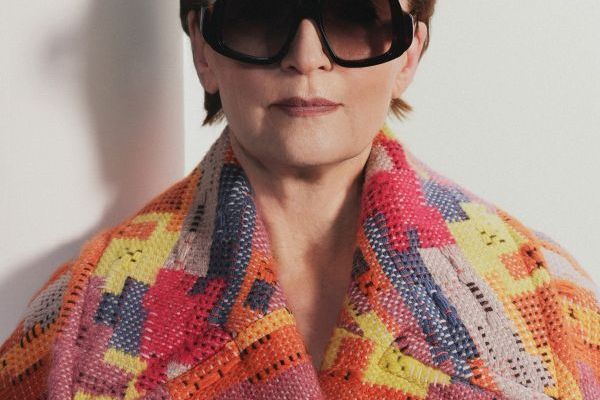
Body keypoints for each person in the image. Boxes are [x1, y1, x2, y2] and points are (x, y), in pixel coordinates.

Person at [1, 0, 598, 398]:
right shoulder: (79, 320)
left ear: (409, 53)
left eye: (355, 16)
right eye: (258, 14)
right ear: (204, 50)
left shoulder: (550, 303)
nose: (307, 57)